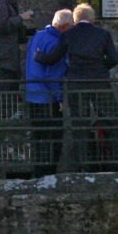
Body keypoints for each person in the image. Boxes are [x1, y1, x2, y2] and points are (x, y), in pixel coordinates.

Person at [37, 4, 118, 169]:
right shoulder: (103, 34)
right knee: (111, 121)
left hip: (76, 83)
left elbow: (53, 57)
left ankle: (84, 165)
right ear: (92, 19)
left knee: (80, 124)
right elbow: (113, 58)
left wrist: (39, 56)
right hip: (99, 83)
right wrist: (101, 68)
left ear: (75, 20)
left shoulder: (69, 34)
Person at [24, 9, 73, 176]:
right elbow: (53, 75)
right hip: (47, 99)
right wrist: (59, 99)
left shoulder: (38, 36)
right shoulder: (56, 43)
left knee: (38, 139)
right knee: (53, 139)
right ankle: (48, 175)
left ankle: (37, 173)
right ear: (66, 26)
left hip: (32, 95)